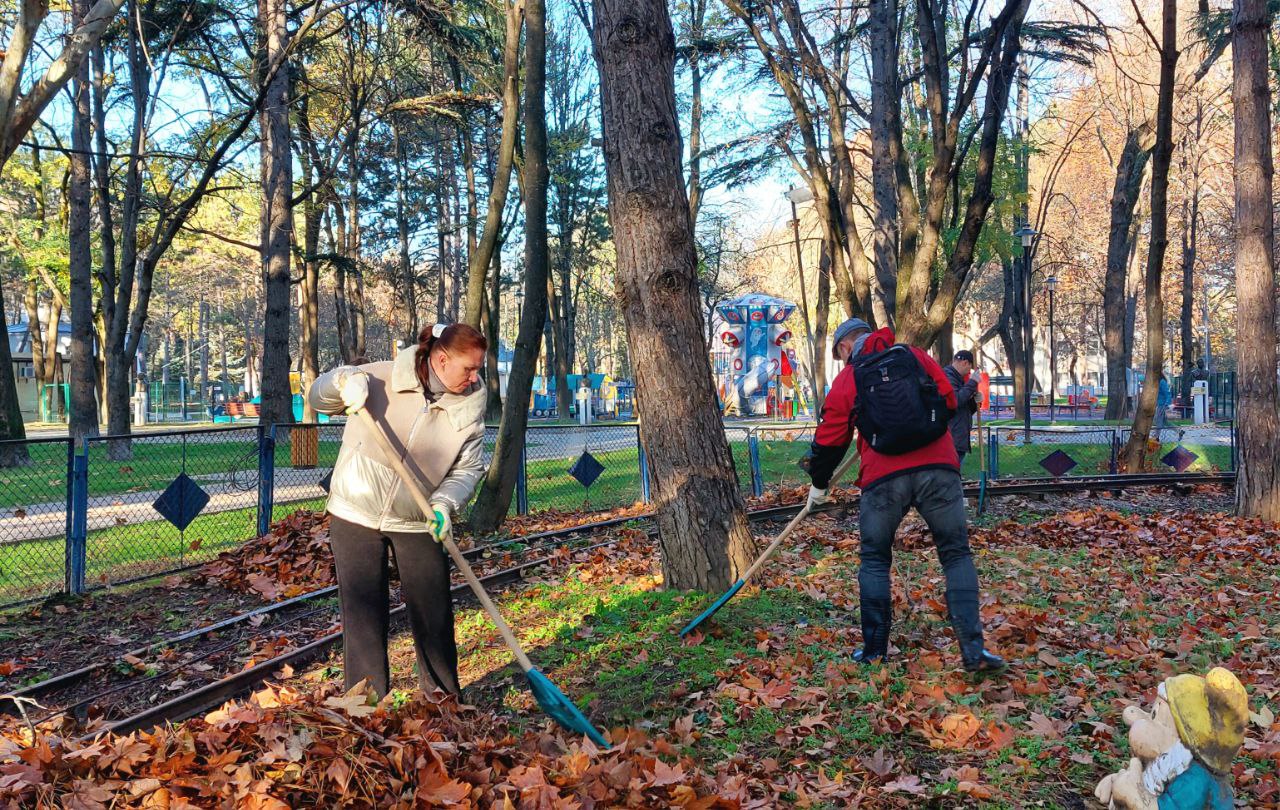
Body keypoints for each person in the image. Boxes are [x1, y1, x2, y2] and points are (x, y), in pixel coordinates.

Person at [805, 325, 1005, 672]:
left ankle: (874, 652)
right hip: (939, 469)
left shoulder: (850, 378)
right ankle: (974, 652)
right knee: (956, 554)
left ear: (848, 344)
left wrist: (819, 483)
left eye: (839, 353)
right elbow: (946, 400)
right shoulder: (913, 356)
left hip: (883, 478)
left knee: (874, 559)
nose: (840, 360)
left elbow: (829, 438)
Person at [308, 323, 488, 697]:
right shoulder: (380, 377)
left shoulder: (470, 410)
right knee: (364, 617)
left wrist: (443, 504)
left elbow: (468, 469)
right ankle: (365, 703)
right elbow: (317, 397)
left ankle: (442, 700)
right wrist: (343, 382)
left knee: (433, 610)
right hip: (356, 509)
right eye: (468, 369)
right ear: (441, 359)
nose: (474, 378)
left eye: (478, 369)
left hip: (418, 517)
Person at [944, 350, 980, 467]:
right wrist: (972, 382)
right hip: (953, 436)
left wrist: (974, 401)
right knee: (951, 476)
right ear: (965, 363)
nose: (968, 373)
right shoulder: (948, 376)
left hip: (958, 435)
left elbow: (964, 408)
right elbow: (956, 400)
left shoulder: (957, 378)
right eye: (969, 369)